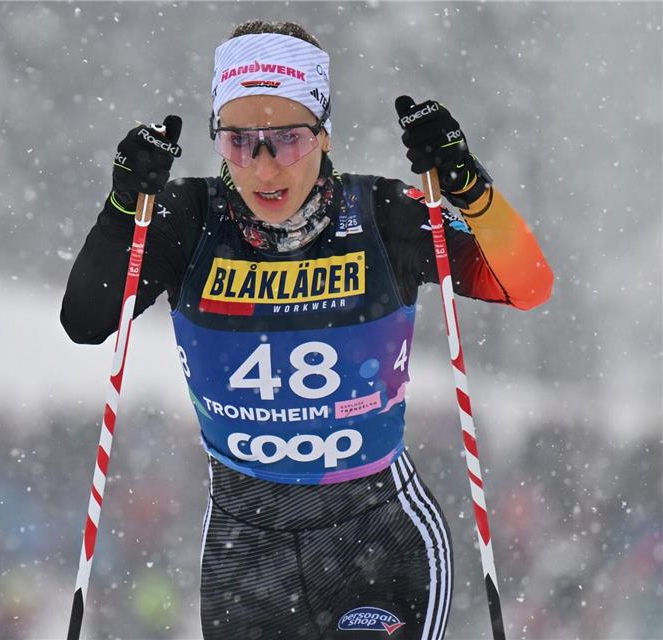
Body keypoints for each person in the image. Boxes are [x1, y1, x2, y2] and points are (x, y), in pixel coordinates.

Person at [61, 19, 552, 640]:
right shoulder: (188, 219)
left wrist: (466, 184)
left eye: (288, 139)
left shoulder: (384, 214)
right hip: (246, 551)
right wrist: (122, 208)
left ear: (324, 134)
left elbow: (525, 285)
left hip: (375, 536)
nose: (264, 168)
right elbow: (86, 319)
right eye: (240, 142)